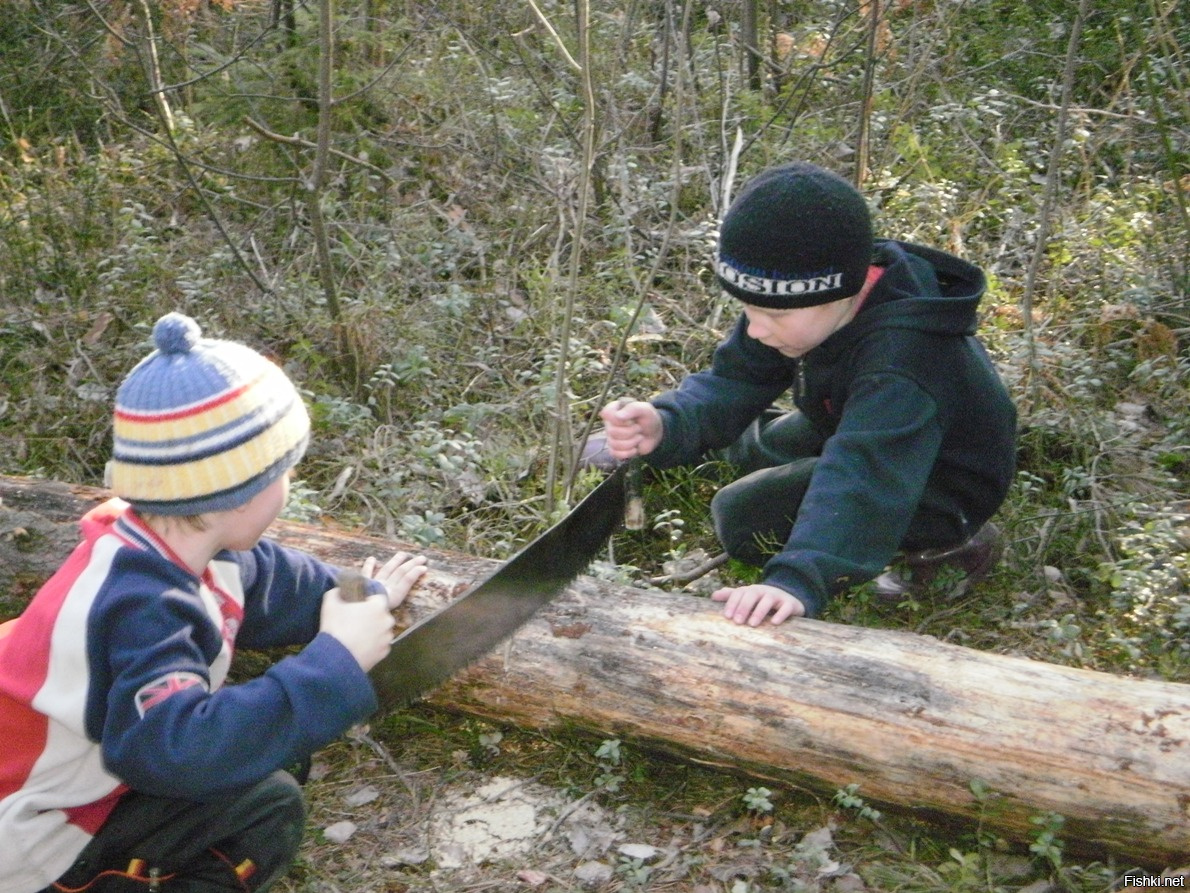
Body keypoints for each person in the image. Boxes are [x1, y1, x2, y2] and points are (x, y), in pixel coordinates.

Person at [0, 313, 428, 893]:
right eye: (285, 472)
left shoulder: (180, 545)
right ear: (243, 491)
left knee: (270, 747)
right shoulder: (139, 607)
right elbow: (176, 752)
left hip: (103, 764)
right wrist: (335, 663)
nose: (289, 485)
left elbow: (278, 582)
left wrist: (359, 594)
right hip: (33, 831)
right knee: (266, 807)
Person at [598, 161, 1017, 626]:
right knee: (766, 443)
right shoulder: (804, 297)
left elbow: (864, 477)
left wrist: (798, 578)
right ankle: (686, 444)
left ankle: (949, 546)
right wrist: (667, 421)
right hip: (842, 418)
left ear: (839, 294)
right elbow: (737, 377)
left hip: (935, 476)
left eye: (773, 316)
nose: (756, 328)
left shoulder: (905, 364)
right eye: (749, 310)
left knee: (741, 515)